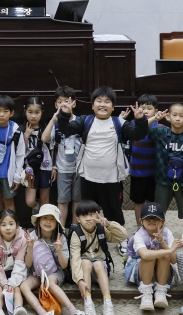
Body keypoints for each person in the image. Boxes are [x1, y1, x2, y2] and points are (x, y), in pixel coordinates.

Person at [56, 86, 146, 225]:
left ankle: (119, 240)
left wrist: (140, 120)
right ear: (92, 106)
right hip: (88, 177)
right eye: (99, 101)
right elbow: (66, 130)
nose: (103, 104)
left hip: (111, 178)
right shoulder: (85, 121)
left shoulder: (119, 123)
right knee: (88, 212)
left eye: (107, 101)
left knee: (114, 211)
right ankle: (89, 237)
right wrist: (65, 114)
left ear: (113, 106)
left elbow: (138, 134)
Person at [18, 204, 86, 315]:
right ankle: (44, 314)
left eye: (52, 219)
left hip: (55, 271)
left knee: (49, 282)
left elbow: (64, 265)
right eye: (45, 218)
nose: (48, 222)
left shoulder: (61, 238)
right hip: (36, 272)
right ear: (38, 221)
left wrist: (59, 250)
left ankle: (74, 312)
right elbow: (28, 264)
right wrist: (31, 246)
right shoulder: (31, 237)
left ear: (57, 223)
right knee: (24, 286)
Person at [68, 199, 127, 315]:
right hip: (85, 271)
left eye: (92, 214)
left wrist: (108, 224)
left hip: (101, 269)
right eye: (84, 215)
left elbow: (123, 236)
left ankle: (108, 303)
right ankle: (88, 303)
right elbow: (75, 258)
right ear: (78, 219)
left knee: (99, 263)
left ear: (98, 215)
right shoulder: (76, 234)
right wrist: (79, 280)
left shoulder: (101, 229)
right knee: (86, 262)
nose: (88, 219)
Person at [125, 202, 178, 312]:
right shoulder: (138, 235)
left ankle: (160, 292)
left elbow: (173, 260)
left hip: (162, 271)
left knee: (164, 256)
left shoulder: (167, 233)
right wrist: (170, 250)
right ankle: (146, 293)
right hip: (140, 271)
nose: (151, 221)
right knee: (149, 256)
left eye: (155, 218)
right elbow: (144, 254)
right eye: (148, 218)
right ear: (141, 221)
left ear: (162, 221)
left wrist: (162, 242)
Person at [42, 86, 81, 226]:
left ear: (74, 103)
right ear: (55, 104)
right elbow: (44, 139)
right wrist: (53, 120)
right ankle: (61, 230)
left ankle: (76, 230)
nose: (64, 104)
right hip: (62, 168)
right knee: (62, 201)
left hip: (80, 169)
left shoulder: (80, 121)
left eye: (67, 101)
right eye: (60, 102)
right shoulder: (56, 123)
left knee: (77, 200)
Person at [0, 208, 29, 315]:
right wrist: (4, 283)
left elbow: (20, 263)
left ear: (17, 225)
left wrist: (12, 282)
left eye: (11, 224)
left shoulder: (22, 240)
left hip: (16, 272)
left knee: (17, 289)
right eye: (4, 225)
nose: (8, 228)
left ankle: (18, 312)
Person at [0, 95, 26, 214]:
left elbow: (20, 155)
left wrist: (17, 177)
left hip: (9, 173)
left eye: (5, 111)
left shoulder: (16, 130)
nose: (1, 114)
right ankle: (0, 226)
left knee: (8, 201)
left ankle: (12, 228)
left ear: (12, 113)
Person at [128, 94, 160, 227]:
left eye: (149, 108)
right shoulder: (132, 124)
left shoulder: (159, 127)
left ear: (156, 111)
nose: (145, 111)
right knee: (138, 201)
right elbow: (139, 129)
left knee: (152, 201)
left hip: (154, 172)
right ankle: (140, 225)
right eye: (142, 108)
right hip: (137, 172)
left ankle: (153, 225)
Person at [21, 96, 52, 212]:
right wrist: (26, 136)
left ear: (42, 113)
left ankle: (43, 223)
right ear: (25, 112)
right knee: (29, 201)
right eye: (30, 112)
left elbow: (52, 147)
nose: (33, 116)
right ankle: (36, 208)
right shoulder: (21, 129)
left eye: (37, 112)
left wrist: (54, 167)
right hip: (30, 168)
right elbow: (20, 151)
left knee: (45, 198)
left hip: (45, 165)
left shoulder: (45, 128)